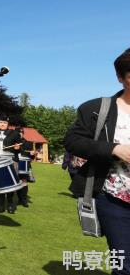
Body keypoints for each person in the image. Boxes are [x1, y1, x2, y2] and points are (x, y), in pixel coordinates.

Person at [64, 48, 130, 275]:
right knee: (124, 265)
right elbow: (72, 141)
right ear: (121, 77)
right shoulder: (96, 109)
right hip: (114, 199)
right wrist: (115, 149)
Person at [0, 116, 22, 213]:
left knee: (11, 183)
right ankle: (1, 206)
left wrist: (18, 148)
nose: (2, 124)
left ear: (8, 124)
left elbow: (23, 144)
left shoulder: (14, 133)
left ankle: (10, 206)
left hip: (11, 160)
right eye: (1, 122)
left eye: (5, 123)